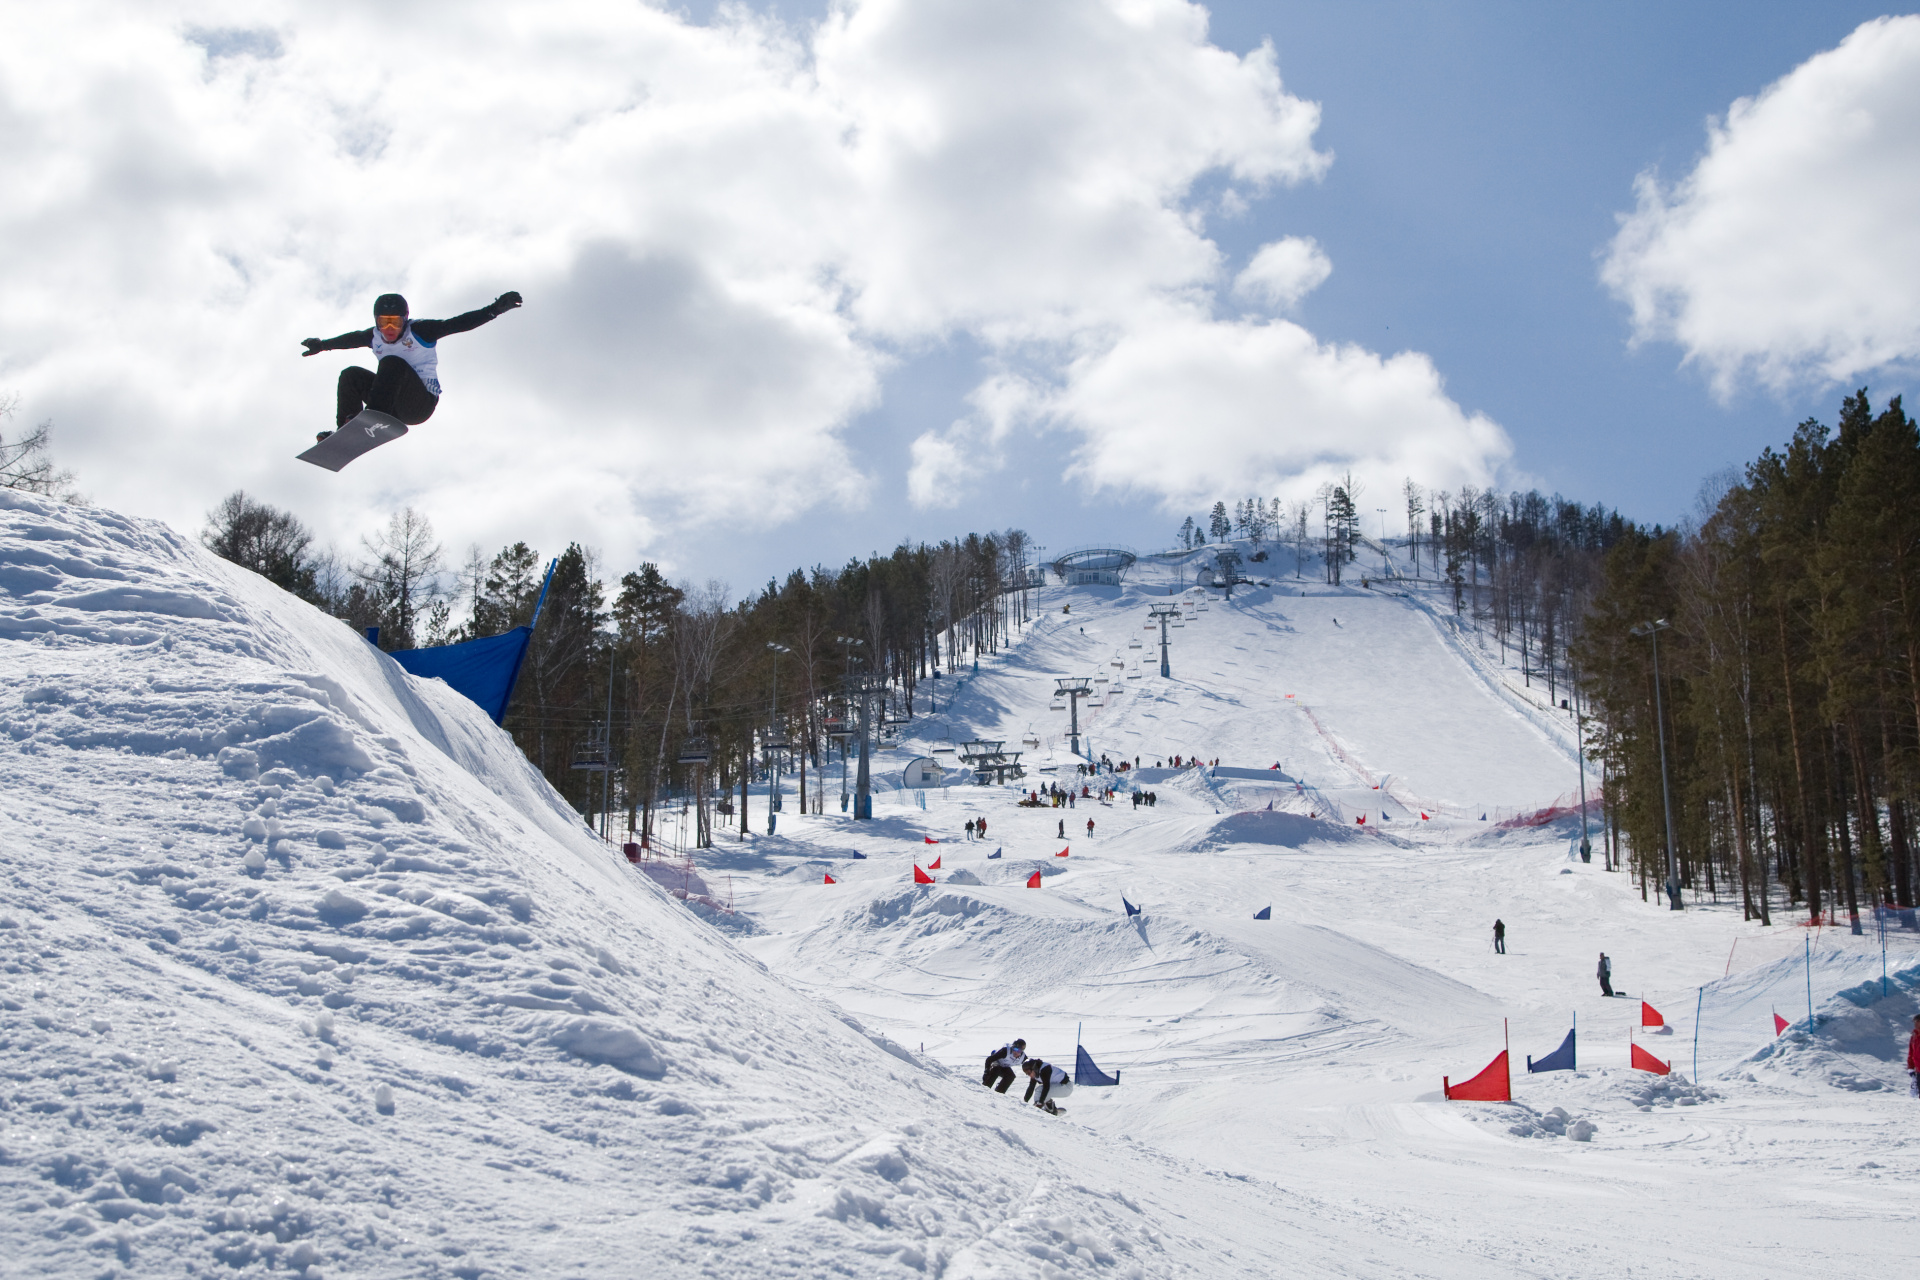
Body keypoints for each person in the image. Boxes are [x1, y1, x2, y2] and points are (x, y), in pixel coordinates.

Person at [302, 290, 523, 439]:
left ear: (405, 320)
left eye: (395, 322)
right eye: (383, 322)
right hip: (389, 403)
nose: (389, 328)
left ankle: (372, 418)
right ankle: (347, 430)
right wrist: (322, 345)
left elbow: (458, 324)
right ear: (376, 322)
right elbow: (349, 340)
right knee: (350, 375)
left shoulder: (420, 331)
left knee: (391, 363)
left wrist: (495, 309)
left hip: (419, 405)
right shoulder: (373, 336)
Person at [1907, 1015, 1920, 1098]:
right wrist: (1911, 1067)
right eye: (1914, 1022)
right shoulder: (1914, 1036)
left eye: (1916, 1021)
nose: (1915, 1024)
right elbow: (1911, 1053)